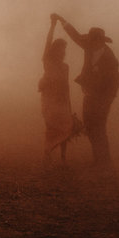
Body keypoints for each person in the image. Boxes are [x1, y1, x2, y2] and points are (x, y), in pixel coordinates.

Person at [56, 14, 119, 169]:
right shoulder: (90, 45)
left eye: (93, 41)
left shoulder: (110, 60)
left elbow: (113, 83)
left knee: (98, 126)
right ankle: (99, 160)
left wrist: (105, 100)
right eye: (89, 41)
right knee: (90, 126)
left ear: (99, 41)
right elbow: (75, 36)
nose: (89, 43)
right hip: (90, 93)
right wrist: (62, 20)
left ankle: (103, 161)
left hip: (104, 96)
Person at [39, 15, 74, 163]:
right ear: (56, 50)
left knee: (66, 127)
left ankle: (63, 156)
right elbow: (48, 41)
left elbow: (66, 86)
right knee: (51, 126)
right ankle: (47, 152)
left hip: (62, 99)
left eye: (64, 49)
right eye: (61, 49)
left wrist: (69, 104)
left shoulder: (65, 67)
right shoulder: (48, 60)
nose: (63, 52)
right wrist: (53, 25)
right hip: (49, 98)